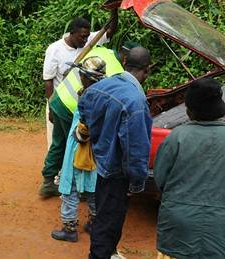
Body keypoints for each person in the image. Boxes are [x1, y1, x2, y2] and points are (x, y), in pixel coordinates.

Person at [153, 78, 225, 258]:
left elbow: (160, 179)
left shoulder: (176, 137)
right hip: (223, 228)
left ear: (189, 110)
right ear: (220, 108)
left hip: (179, 225)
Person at [78, 47, 153, 259]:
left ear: (125, 62)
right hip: (118, 172)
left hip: (103, 165)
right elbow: (135, 149)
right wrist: (136, 183)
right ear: (147, 70)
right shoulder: (135, 102)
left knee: (104, 215)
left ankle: (106, 252)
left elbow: (84, 108)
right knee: (109, 222)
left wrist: (99, 137)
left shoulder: (102, 85)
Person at [39, 45, 124, 198]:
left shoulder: (98, 51)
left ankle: (48, 181)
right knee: (77, 147)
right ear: (124, 60)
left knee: (58, 143)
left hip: (58, 99)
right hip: (71, 108)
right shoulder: (116, 72)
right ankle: (77, 187)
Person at [42, 11, 118, 151]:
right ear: (72, 33)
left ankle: (68, 171)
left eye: (87, 37)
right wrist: (52, 107)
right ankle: (53, 172)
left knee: (76, 141)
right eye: (82, 37)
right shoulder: (55, 50)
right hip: (59, 102)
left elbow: (110, 30)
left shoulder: (89, 40)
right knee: (56, 142)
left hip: (80, 103)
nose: (85, 40)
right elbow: (48, 81)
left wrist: (114, 11)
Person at [51, 56, 106, 242]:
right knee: (93, 187)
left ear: (88, 77)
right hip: (96, 151)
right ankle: (94, 223)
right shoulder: (102, 95)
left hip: (79, 148)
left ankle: (69, 228)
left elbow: (84, 131)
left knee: (70, 186)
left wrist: (80, 134)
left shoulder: (89, 97)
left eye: (82, 74)